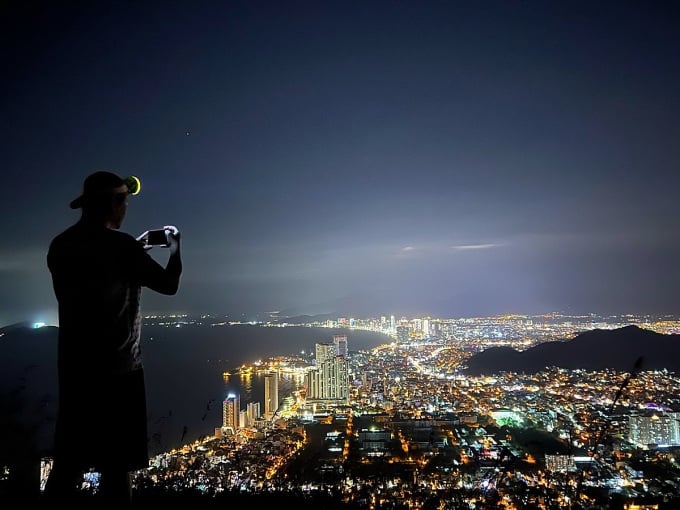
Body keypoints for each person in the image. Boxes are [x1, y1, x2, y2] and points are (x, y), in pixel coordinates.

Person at [44, 171, 182, 507]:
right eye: (124, 201)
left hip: (75, 369)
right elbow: (168, 284)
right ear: (114, 204)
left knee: (69, 462)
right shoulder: (122, 248)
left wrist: (134, 248)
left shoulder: (61, 245)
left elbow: (97, 270)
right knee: (117, 467)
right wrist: (175, 248)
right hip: (120, 371)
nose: (127, 210)